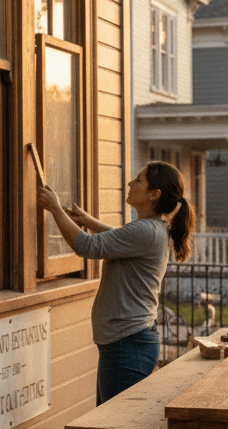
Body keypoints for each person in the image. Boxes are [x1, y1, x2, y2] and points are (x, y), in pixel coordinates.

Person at [37, 161, 195, 405]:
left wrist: (55, 209)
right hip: (126, 342)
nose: (131, 183)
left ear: (154, 194)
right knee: (112, 426)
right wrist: (89, 221)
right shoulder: (151, 229)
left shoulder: (146, 231)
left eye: (139, 180)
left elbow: (86, 246)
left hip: (127, 345)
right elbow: (121, 239)